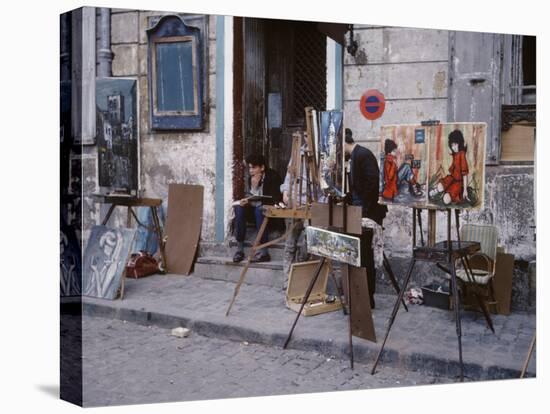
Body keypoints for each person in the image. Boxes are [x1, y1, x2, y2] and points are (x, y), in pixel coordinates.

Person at [344, 128, 388, 309]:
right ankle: (361, 296)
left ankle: (368, 298)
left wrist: (364, 211)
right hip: (359, 212)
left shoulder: (363, 154)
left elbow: (373, 183)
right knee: (359, 255)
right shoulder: (353, 157)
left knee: (366, 257)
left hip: (367, 214)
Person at [232, 154, 282, 263]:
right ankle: (240, 248)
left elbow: (275, 199)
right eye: (249, 168)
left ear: (262, 168)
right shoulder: (251, 178)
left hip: (269, 214)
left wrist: (258, 196)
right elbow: (249, 197)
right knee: (239, 209)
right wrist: (247, 199)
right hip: (254, 211)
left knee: (259, 210)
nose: (250, 171)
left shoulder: (273, 177)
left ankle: (264, 252)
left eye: (254, 168)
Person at [429, 129, 469, 205]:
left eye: (455, 144)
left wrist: (465, 190)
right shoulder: (455, 154)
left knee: (446, 200)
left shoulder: (462, 155)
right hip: (451, 178)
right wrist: (452, 152)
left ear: (459, 143)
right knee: (440, 186)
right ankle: (437, 191)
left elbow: (465, 174)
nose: (453, 147)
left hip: (458, 182)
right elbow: (453, 155)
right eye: (452, 145)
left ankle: (445, 194)